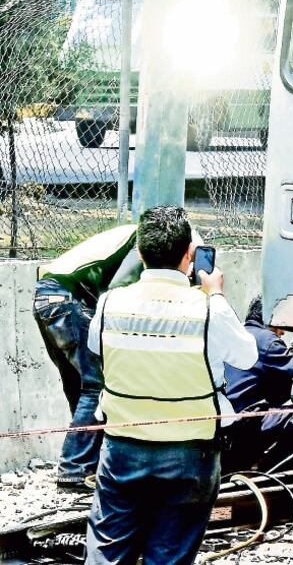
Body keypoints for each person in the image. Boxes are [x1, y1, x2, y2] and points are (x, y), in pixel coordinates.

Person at [84, 206, 257, 565]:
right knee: (169, 556)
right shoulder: (209, 309)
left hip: (122, 448)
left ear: (141, 253)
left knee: (107, 552)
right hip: (190, 454)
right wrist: (217, 295)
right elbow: (247, 356)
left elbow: (94, 348)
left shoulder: (110, 303)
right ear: (189, 256)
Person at [33, 224, 143, 490]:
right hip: (70, 300)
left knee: (80, 384)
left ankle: (84, 461)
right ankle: (74, 468)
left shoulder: (130, 232)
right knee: (97, 385)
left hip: (46, 296)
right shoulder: (143, 241)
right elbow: (115, 290)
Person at [222, 295, 293, 473]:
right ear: (272, 316)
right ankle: (269, 474)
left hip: (222, 423)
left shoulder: (233, 334)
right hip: (241, 426)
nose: (283, 331)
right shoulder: (266, 341)